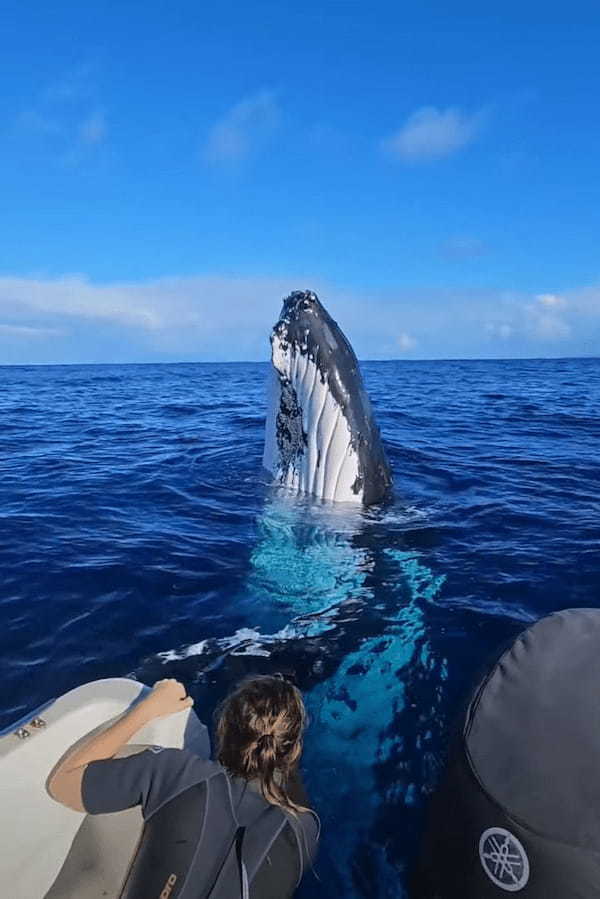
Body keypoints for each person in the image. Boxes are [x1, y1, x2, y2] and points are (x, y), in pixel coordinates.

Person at [48, 675, 319, 898]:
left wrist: (149, 708)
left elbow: (63, 783)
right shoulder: (304, 831)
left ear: (223, 727)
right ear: (294, 750)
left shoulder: (176, 772)